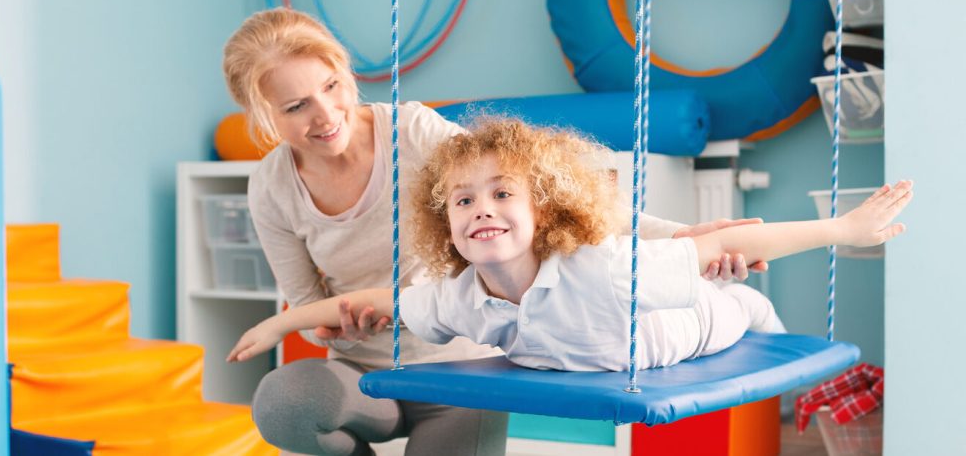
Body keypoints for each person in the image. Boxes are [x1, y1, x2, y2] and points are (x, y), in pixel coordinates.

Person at [222, 7, 766, 455]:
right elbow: (309, 312)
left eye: (332, 86)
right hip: (366, 381)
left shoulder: (411, 131)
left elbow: (546, 196)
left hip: (463, 370)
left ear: (344, 73)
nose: (326, 114)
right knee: (284, 404)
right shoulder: (272, 188)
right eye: (296, 107)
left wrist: (684, 236)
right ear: (263, 115)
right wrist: (339, 328)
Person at [228, 119, 913, 373]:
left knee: (735, 303)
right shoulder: (460, 298)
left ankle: (767, 321)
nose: (481, 211)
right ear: (446, 223)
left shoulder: (600, 266)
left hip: (691, 326)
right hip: (602, 344)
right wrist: (281, 320)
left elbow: (728, 240)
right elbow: (376, 299)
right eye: (464, 201)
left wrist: (843, 230)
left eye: (503, 195)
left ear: (543, 210)